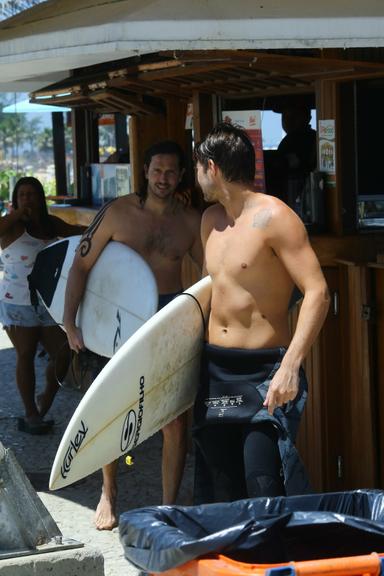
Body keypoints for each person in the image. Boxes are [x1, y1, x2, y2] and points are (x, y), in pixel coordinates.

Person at [64, 140, 203, 530]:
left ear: (181, 176)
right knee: (113, 407)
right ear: (145, 172)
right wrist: (70, 322)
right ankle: (108, 491)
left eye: (171, 171)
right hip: (117, 318)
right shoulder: (117, 212)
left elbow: (214, 274)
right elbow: (80, 266)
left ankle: (168, 506)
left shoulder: (190, 222)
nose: (163, 178)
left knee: (174, 418)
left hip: (166, 316)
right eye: (157, 170)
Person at [192, 122, 330, 504]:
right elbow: (208, 295)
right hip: (216, 370)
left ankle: (276, 560)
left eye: (198, 167)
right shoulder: (210, 222)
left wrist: (291, 366)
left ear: (212, 167)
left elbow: (318, 292)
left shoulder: (275, 217)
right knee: (221, 489)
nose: (197, 176)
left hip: (264, 372)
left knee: (264, 483)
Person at [0, 176, 85, 434]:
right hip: (17, 302)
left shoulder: (51, 224)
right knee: (25, 356)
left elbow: (80, 233)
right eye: (22, 194)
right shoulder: (10, 226)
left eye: (32, 194)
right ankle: (31, 414)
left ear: (40, 198)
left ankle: (45, 398)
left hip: (49, 302)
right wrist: (17, 214)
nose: (28, 198)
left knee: (63, 353)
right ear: (16, 200)